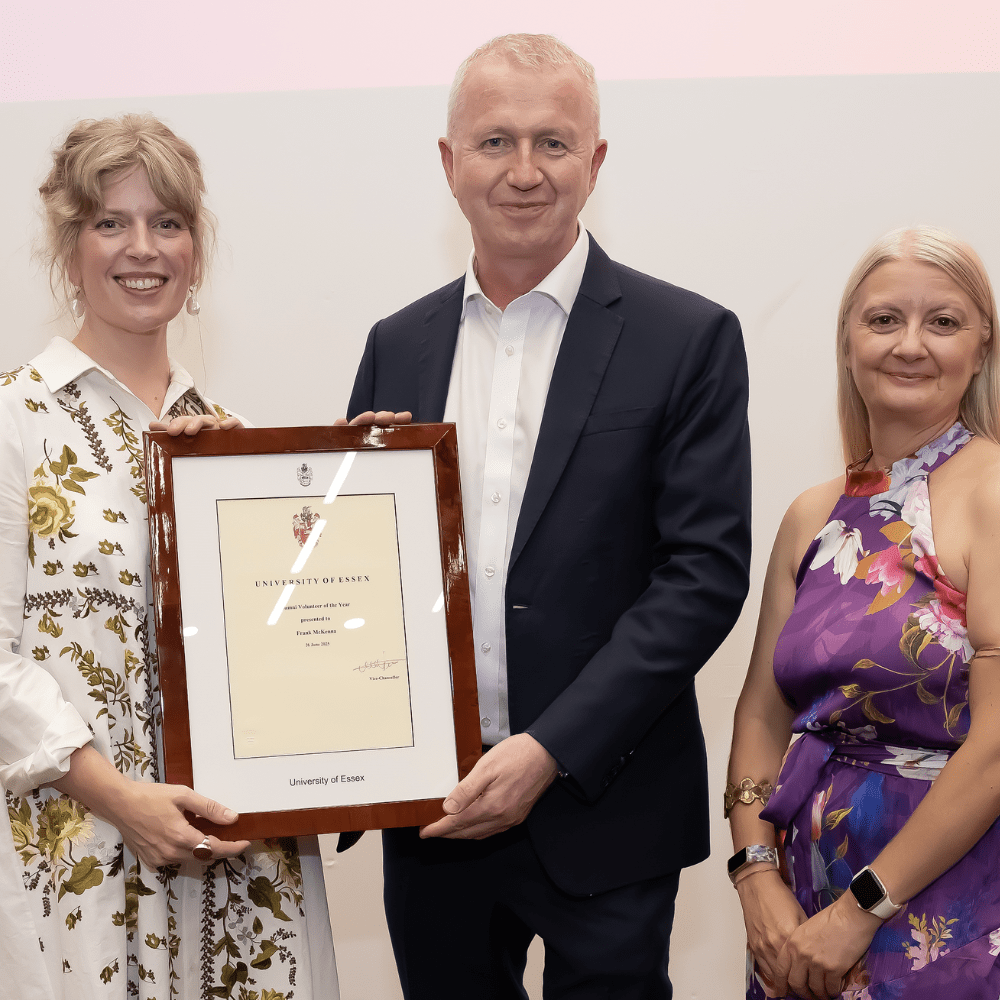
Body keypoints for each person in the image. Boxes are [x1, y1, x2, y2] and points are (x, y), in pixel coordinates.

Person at [347, 33, 752, 998]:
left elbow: (701, 576)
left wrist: (549, 749)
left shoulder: (687, 338)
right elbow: (358, 577)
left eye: (553, 143)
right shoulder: (395, 345)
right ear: (449, 165)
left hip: (604, 808)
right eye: (494, 142)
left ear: (596, 162)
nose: (524, 171)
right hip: (434, 814)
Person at [0, 115, 338, 999]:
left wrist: (374, 486)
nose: (141, 249)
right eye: (110, 223)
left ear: (196, 249)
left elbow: (307, 642)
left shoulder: (244, 443)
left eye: (168, 222)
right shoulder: (12, 422)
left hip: (242, 855)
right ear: (68, 248)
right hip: (80, 848)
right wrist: (124, 801)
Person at [727, 226, 1000, 999]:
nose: (910, 344)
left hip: (952, 899)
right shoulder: (812, 515)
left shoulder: (994, 496)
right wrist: (755, 877)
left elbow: (998, 746)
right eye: (883, 320)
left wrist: (863, 908)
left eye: (943, 322)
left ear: (981, 349)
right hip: (800, 903)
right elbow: (759, 718)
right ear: (847, 344)